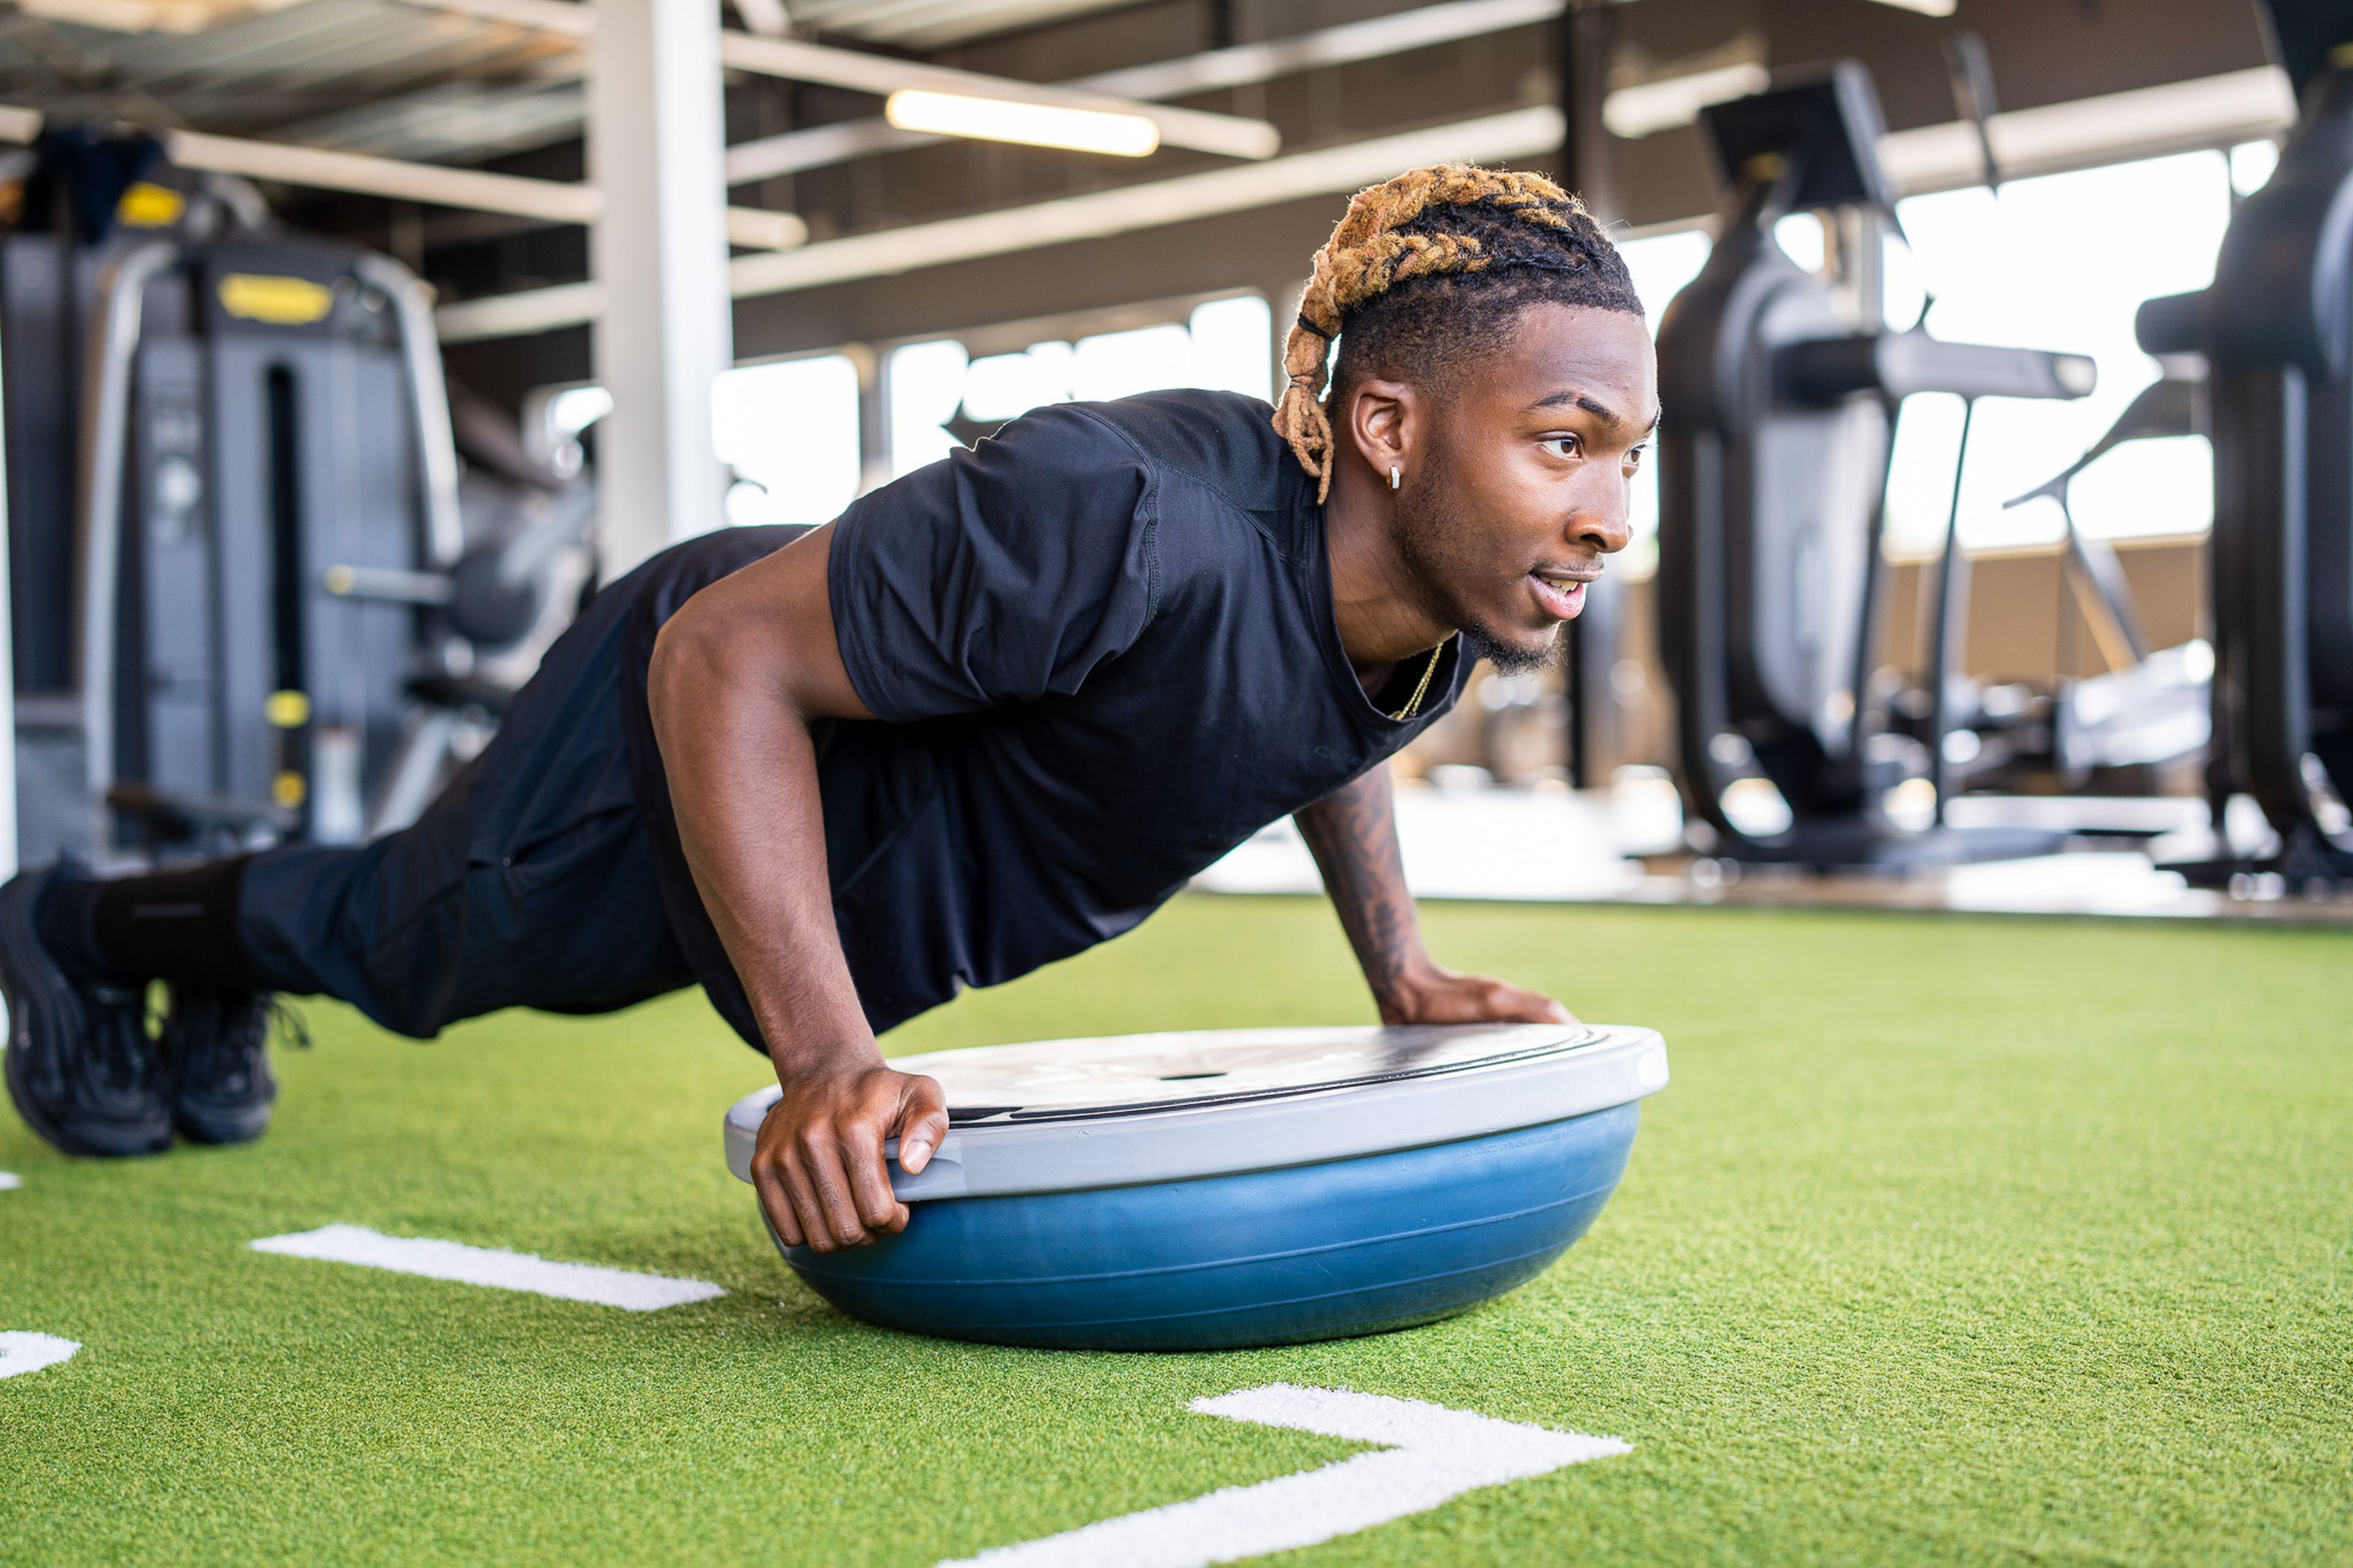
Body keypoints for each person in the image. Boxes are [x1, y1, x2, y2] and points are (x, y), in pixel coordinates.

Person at [1, 164, 1656, 1257]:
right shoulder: (1125, 514)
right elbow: (724, 662)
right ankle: (76, 925)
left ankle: (191, 972)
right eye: (1565, 442)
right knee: (411, 947)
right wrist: (826, 1062)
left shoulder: (1420, 607)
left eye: (1626, 457)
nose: (1608, 513)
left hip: (831, 869)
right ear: (1385, 427)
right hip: (709, 722)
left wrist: (1406, 970)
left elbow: (1312, 721)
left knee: (430, 952)